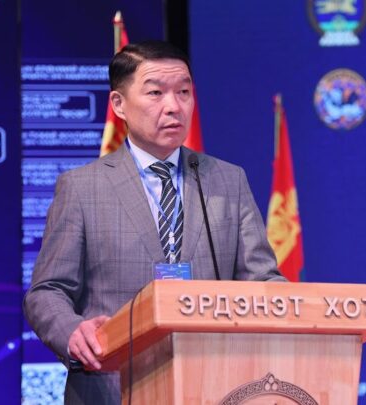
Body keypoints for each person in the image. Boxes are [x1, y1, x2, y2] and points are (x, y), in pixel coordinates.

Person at [23, 40, 285, 404]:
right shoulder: (82, 188)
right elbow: (47, 291)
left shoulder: (228, 181)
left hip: (213, 385)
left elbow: (264, 282)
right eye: (156, 93)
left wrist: (296, 309)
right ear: (119, 104)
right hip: (112, 386)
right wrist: (72, 332)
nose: (174, 106)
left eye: (184, 92)